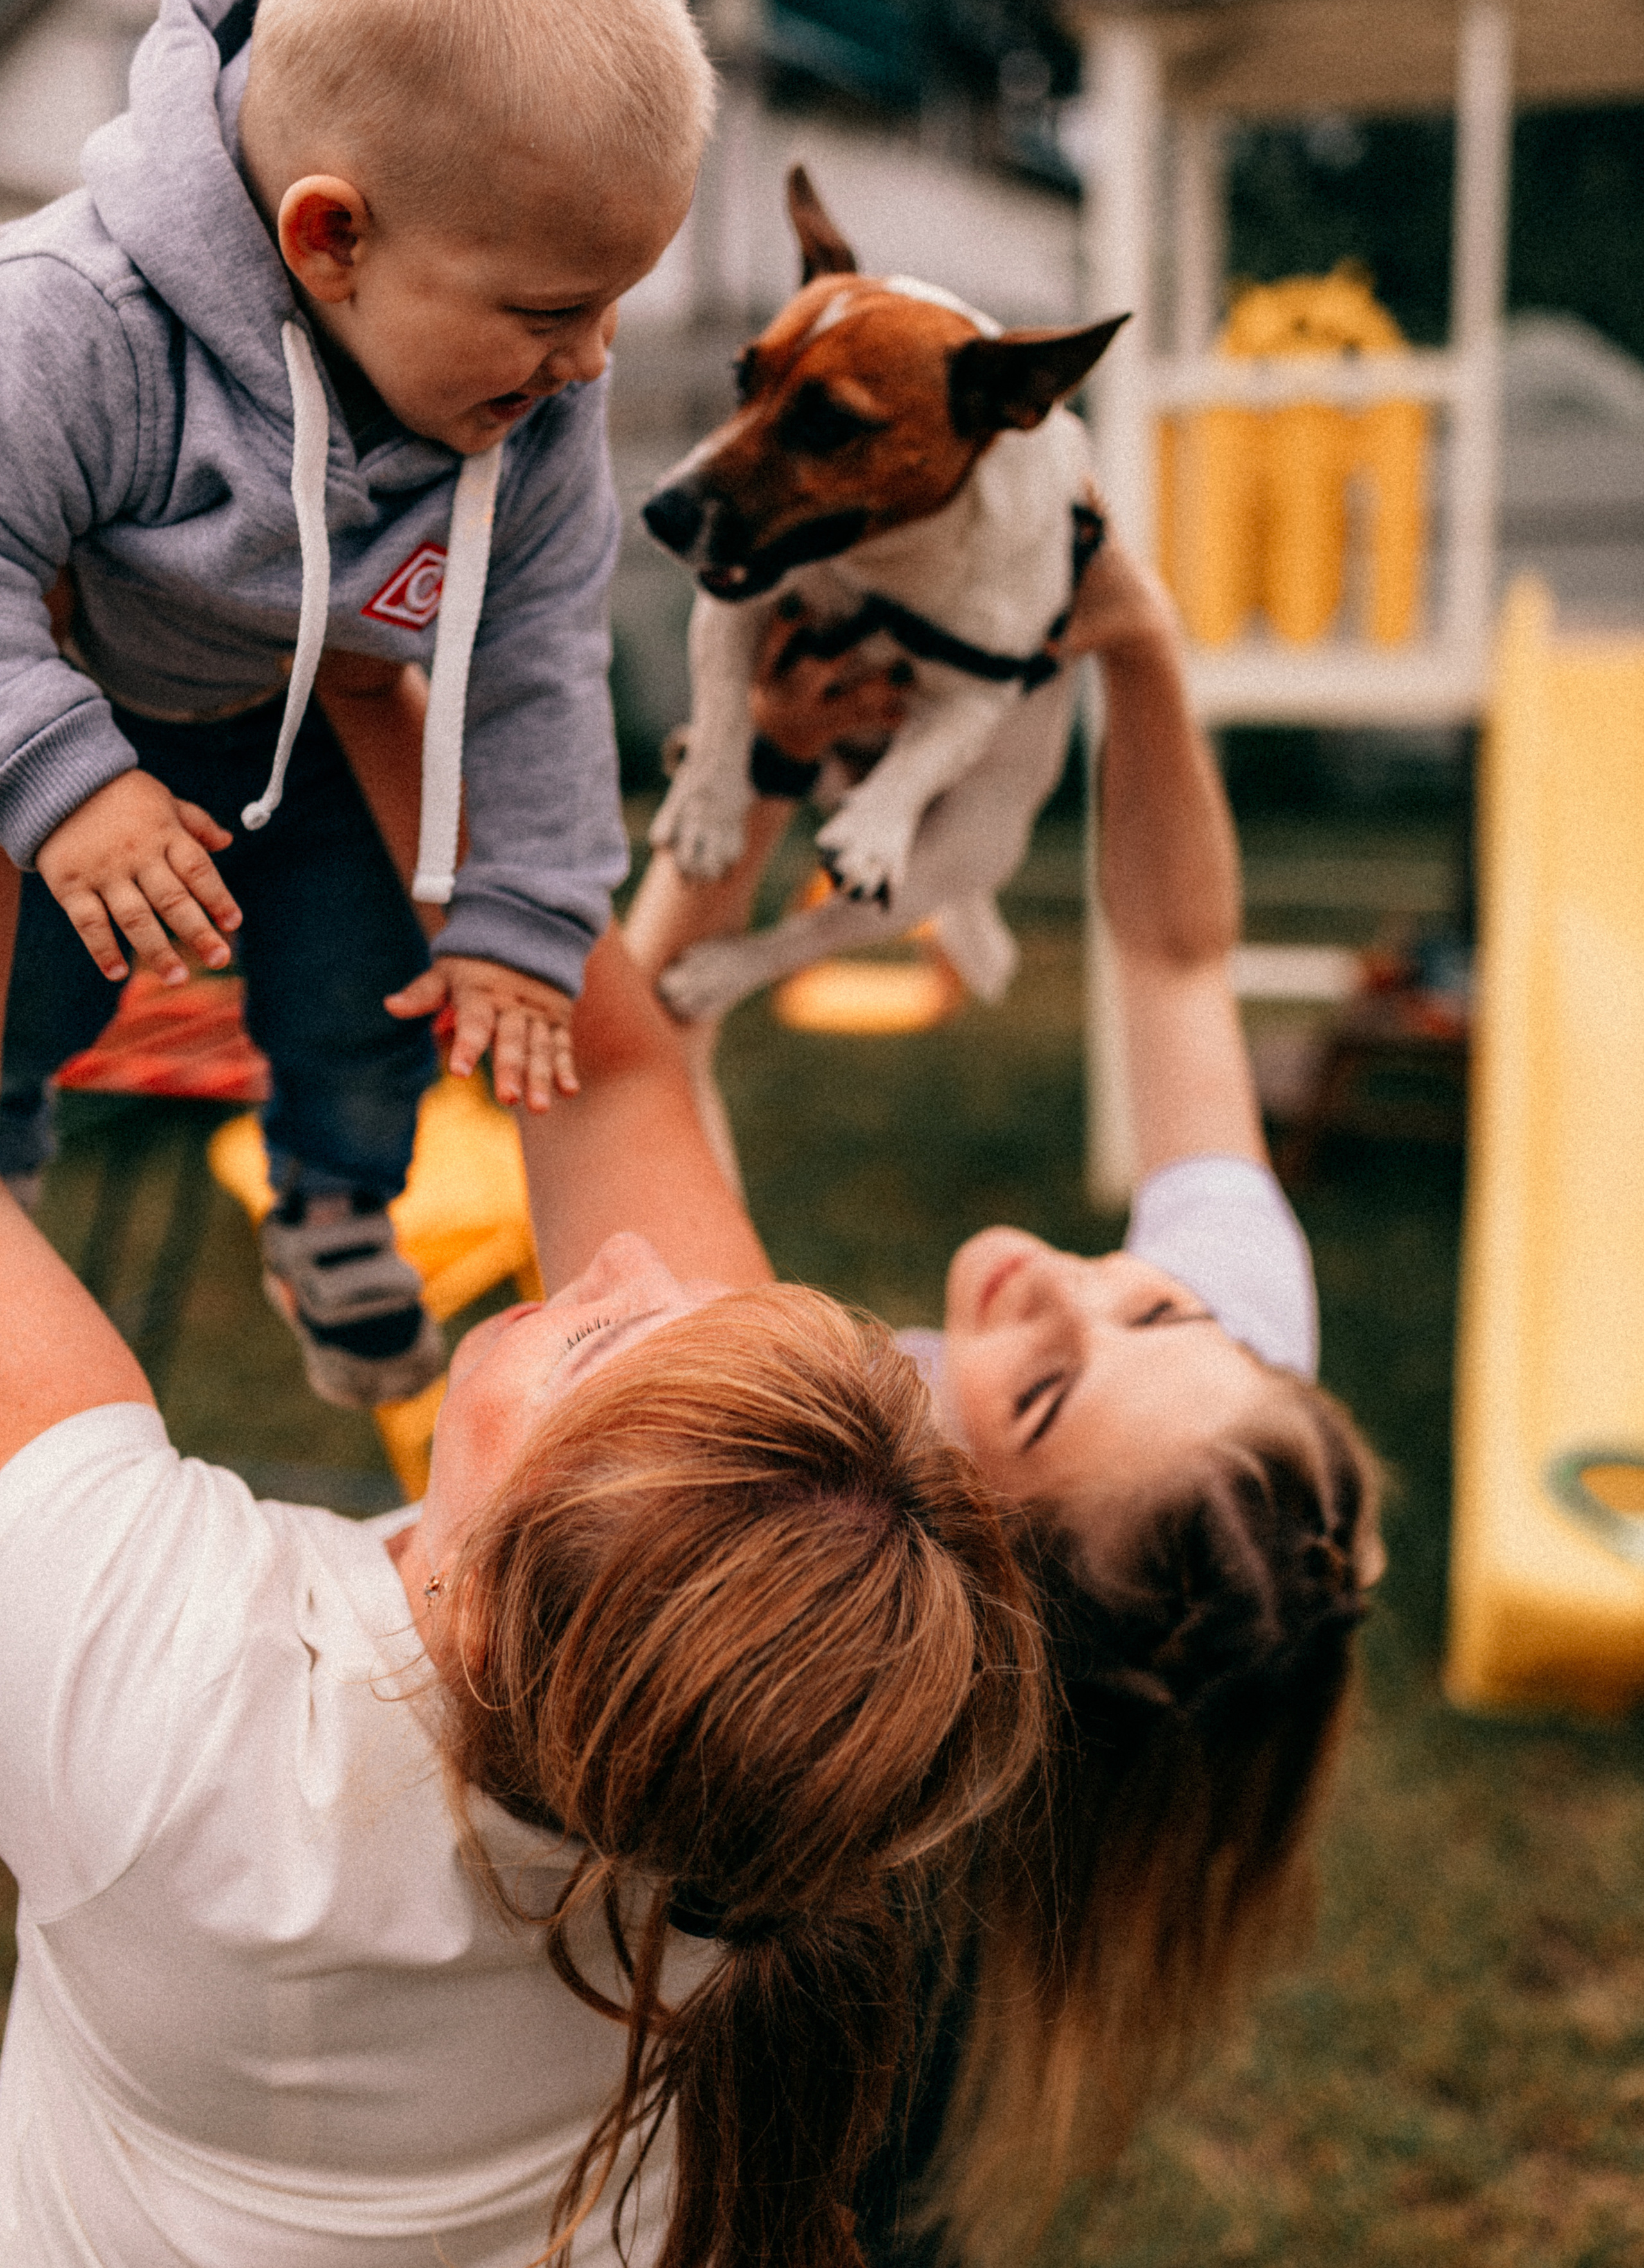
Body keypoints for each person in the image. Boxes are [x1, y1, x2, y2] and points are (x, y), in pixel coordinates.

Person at [0, 921, 1044, 2265]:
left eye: (596, 1342)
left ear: (489, 1614)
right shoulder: (760, 1754)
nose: (622, 1264)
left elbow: (605, 1077)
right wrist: (471, 803)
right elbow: (611, 1076)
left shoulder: (165, 1697)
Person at [619, 516, 1385, 2262]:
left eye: (1038, 1397)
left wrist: (747, 779)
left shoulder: (778, 1529)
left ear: (958, 1567)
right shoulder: (1216, 1440)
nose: (1068, 1284)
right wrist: (1137, 643)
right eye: (1154, 1304)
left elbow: (632, 1069)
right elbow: (1178, 957)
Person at [0, 0, 712, 1407]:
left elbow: (535, 650)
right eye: (552, 311)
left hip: (305, 714)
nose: (592, 359)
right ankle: (8, 1171)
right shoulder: (74, 324)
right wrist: (61, 776)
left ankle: (336, 1201)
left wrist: (526, 915)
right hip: (75, 696)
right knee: (38, 974)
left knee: (374, 964)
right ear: (332, 238)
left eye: (612, 303)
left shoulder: (531, 403)